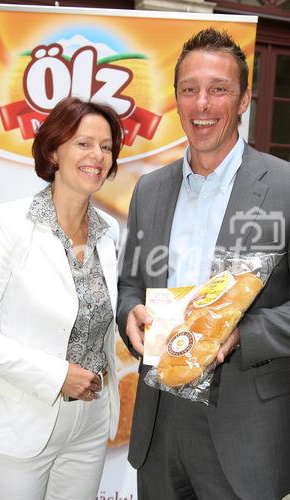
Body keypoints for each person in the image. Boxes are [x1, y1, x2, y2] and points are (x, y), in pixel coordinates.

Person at [117, 28, 290, 500]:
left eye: (219, 89)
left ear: (243, 99)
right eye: (189, 90)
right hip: (159, 423)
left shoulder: (283, 187)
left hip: (246, 429)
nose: (202, 105)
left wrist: (245, 333)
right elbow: (130, 286)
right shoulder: (149, 190)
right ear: (176, 99)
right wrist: (129, 315)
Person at [0, 96, 123, 500]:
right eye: (84, 143)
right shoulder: (8, 226)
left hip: (90, 424)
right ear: (53, 150)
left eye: (106, 146)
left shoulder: (109, 233)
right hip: (18, 425)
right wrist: (55, 375)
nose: (97, 155)